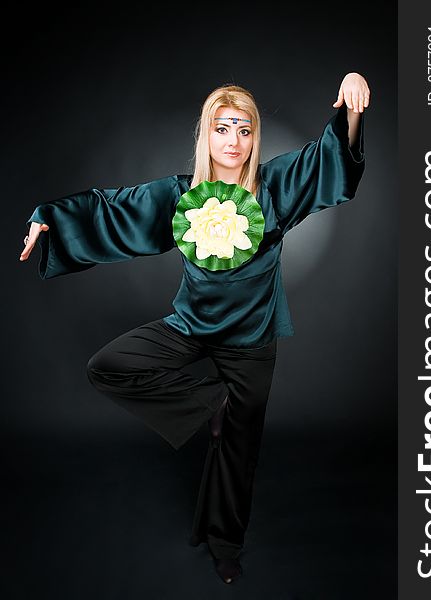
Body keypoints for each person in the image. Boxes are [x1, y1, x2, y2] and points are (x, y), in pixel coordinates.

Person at [20, 72, 370, 584]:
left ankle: (225, 544)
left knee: (239, 449)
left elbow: (329, 158)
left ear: (254, 138)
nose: (234, 140)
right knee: (109, 367)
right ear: (206, 136)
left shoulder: (274, 188)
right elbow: (112, 209)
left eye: (245, 129)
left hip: (252, 341)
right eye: (223, 128)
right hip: (190, 328)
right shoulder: (179, 195)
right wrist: (48, 218)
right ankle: (210, 406)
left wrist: (354, 102)